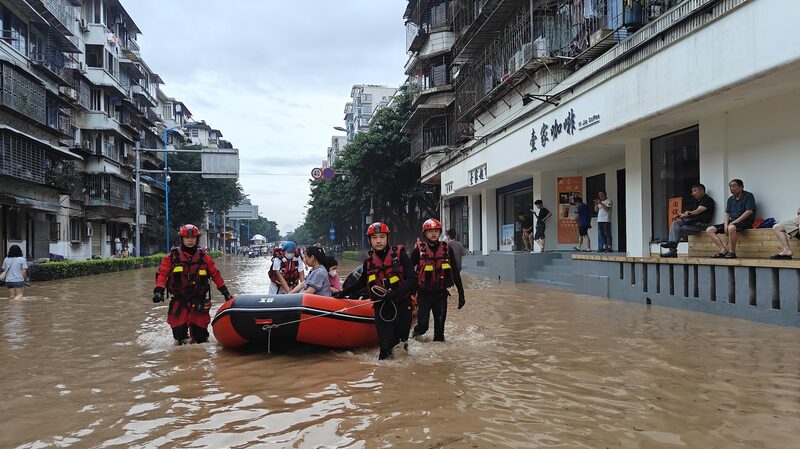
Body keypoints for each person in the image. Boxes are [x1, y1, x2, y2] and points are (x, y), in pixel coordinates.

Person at [334, 222, 417, 360]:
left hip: (402, 306)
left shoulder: (400, 255)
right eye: (374, 237)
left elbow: (413, 280)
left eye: (382, 236)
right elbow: (361, 283)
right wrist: (342, 293)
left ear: (387, 238)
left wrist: (393, 294)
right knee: (384, 348)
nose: (378, 240)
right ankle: (383, 377)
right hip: (382, 308)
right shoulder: (369, 262)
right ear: (369, 240)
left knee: (401, 346)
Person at [153, 224, 232, 345]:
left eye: (193, 237)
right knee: (179, 337)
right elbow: (162, 274)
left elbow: (215, 275)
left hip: (198, 300)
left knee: (200, 338)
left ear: (197, 239)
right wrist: (158, 291)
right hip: (179, 301)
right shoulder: (171, 257)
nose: (190, 240)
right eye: (187, 238)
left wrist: (226, 293)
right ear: (182, 239)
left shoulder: (204, 257)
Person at [410, 218, 466, 343]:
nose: (433, 233)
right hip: (424, 295)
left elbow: (455, 273)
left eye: (436, 231)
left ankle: (439, 358)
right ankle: (414, 335)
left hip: (441, 294)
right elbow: (408, 272)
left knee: (440, 334)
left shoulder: (447, 249)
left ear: (440, 232)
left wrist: (461, 294)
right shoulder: (418, 251)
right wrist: (408, 293)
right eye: (430, 231)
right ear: (425, 233)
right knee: (423, 327)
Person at [660, 183, 716, 257]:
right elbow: (689, 211)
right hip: (692, 223)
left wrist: (686, 214)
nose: (693, 193)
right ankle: (672, 246)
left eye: (695, 191)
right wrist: (682, 215)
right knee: (675, 223)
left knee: (677, 230)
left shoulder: (708, 200)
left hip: (701, 224)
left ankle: (672, 250)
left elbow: (697, 211)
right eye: (692, 191)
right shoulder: (696, 201)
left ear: (702, 190)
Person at [705, 179, 756, 259]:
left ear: (741, 187)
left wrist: (733, 223)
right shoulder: (730, 199)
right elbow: (727, 213)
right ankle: (723, 250)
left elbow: (749, 212)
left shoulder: (748, 196)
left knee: (731, 227)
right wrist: (725, 225)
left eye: (734, 186)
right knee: (709, 229)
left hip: (746, 221)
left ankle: (732, 252)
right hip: (732, 222)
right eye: (730, 187)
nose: (732, 188)